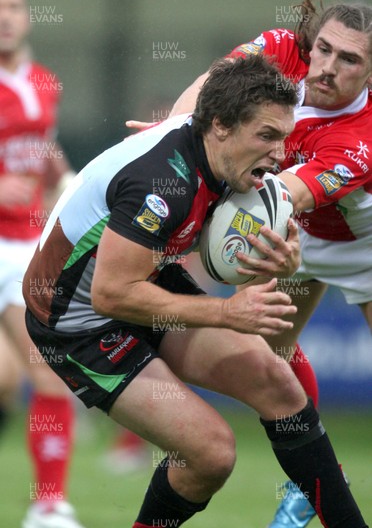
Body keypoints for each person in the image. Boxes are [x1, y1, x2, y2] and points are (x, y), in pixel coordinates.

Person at [23, 54, 368, 528]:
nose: (280, 153)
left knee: (277, 383)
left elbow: (225, 266)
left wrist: (278, 263)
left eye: (284, 137)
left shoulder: (227, 160)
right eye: (267, 136)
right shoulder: (160, 183)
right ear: (221, 126)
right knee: (211, 453)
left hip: (140, 281)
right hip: (75, 322)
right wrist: (228, 315)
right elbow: (110, 296)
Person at [131, 0, 372, 528]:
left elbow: (280, 194)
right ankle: (311, 484)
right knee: (269, 352)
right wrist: (170, 141)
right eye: (325, 49)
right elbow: (210, 90)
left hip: (360, 243)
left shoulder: (364, 133)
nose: (328, 67)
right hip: (297, 236)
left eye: (350, 59)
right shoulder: (282, 52)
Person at [0, 0, 85, 528]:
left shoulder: (44, 82)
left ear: (27, 15)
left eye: (13, 6)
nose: (5, 16)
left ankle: (47, 503)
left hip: (21, 248)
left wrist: (67, 179)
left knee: (48, 369)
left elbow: (42, 150)